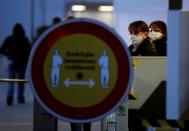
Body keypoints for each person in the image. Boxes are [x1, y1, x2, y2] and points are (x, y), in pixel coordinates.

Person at [0, 23, 31, 106]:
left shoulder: (9, 39)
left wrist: (8, 55)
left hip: (12, 62)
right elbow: (30, 51)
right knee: (21, 81)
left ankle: (10, 96)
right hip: (22, 63)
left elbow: (1, 49)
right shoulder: (25, 39)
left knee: (11, 81)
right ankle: (20, 97)